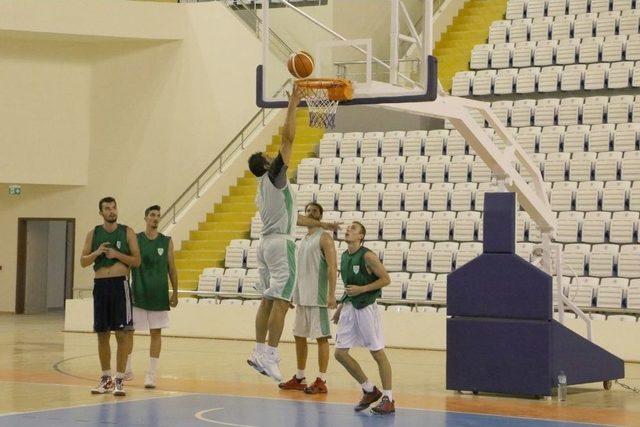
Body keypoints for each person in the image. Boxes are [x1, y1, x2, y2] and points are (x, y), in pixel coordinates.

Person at [246, 90, 340, 382]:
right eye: (267, 155)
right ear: (266, 163)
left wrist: (322, 224)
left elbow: (291, 218)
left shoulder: (262, 189)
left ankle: (259, 350)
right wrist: (293, 104)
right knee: (282, 302)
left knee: (267, 299)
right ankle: (271, 355)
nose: (272, 154)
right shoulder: (275, 176)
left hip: (265, 244)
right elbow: (288, 139)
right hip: (280, 245)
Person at [80, 197, 141, 397]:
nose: (112, 211)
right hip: (101, 286)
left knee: (122, 334)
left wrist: (116, 255)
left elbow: (137, 260)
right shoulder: (93, 234)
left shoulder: (127, 232)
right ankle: (106, 378)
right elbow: (83, 261)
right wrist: (97, 252)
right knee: (102, 333)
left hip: (119, 285)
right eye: (107, 208)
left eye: (114, 207)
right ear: (101, 212)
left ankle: (120, 379)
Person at [333, 222, 395, 415]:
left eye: (353, 228)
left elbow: (386, 279)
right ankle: (369, 389)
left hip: (366, 308)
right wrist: (341, 306)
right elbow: (349, 286)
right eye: (348, 228)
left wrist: (363, 289)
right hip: (349, 308)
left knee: (377, 353)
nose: (348, 230)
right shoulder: (344, 256)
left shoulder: (367, 255)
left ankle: (389, 398)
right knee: (340, 353)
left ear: (361, 236)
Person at [279, 202, 337, 394]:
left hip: (318, 297)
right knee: (299, 335)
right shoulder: (303, 239)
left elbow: (332, 267)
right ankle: (300, 376)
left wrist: (331, 294)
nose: (311, 213)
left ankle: (322, 379)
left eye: (315, 211)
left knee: (321, 338)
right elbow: (298, 270)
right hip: (302, 296)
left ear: (320, 216)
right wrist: (292, 293)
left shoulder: (325, 237)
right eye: (308, 210)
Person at [126, 205, 178, 389]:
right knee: (129, 332)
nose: (155, 218)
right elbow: (127, 265)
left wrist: (175, 292)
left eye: (158, 215)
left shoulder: (166, 241)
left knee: (156, 333)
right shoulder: (136, 239)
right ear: (145, 218)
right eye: (152, 215)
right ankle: (127, 369)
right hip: (138, 293)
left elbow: (172, 268)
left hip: (159, 295)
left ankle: (151, 375)